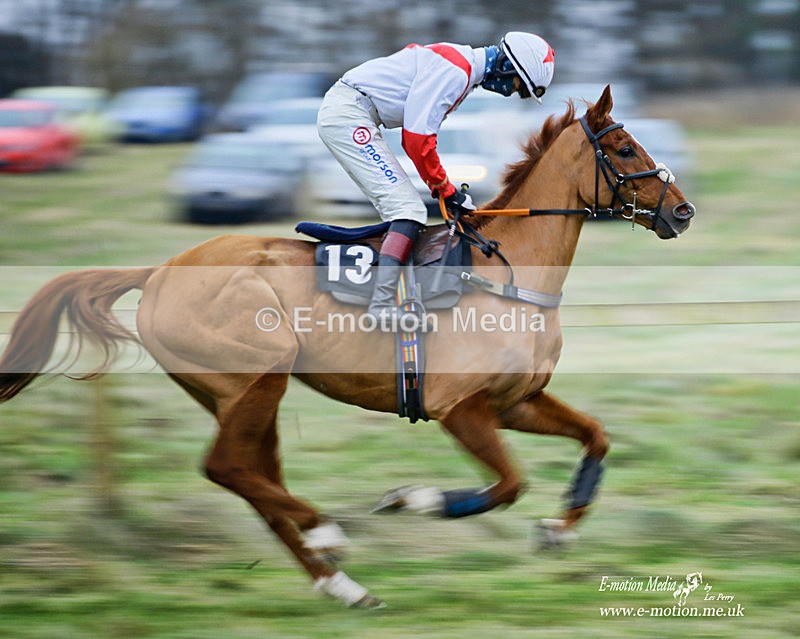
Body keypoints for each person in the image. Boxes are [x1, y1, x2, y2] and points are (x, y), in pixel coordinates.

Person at [317, 31, 555, 326]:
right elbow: (417, 139)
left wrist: (443, 188)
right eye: (517, 85)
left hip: (354, 112)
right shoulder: (457, 71)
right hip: (349, 115)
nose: (509, 93)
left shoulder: (462, 70)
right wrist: (445, 188)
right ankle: (382, 305)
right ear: (506, 66)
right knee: (407, 210)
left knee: (405, 210)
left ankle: (397, 294)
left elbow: (420, 139)